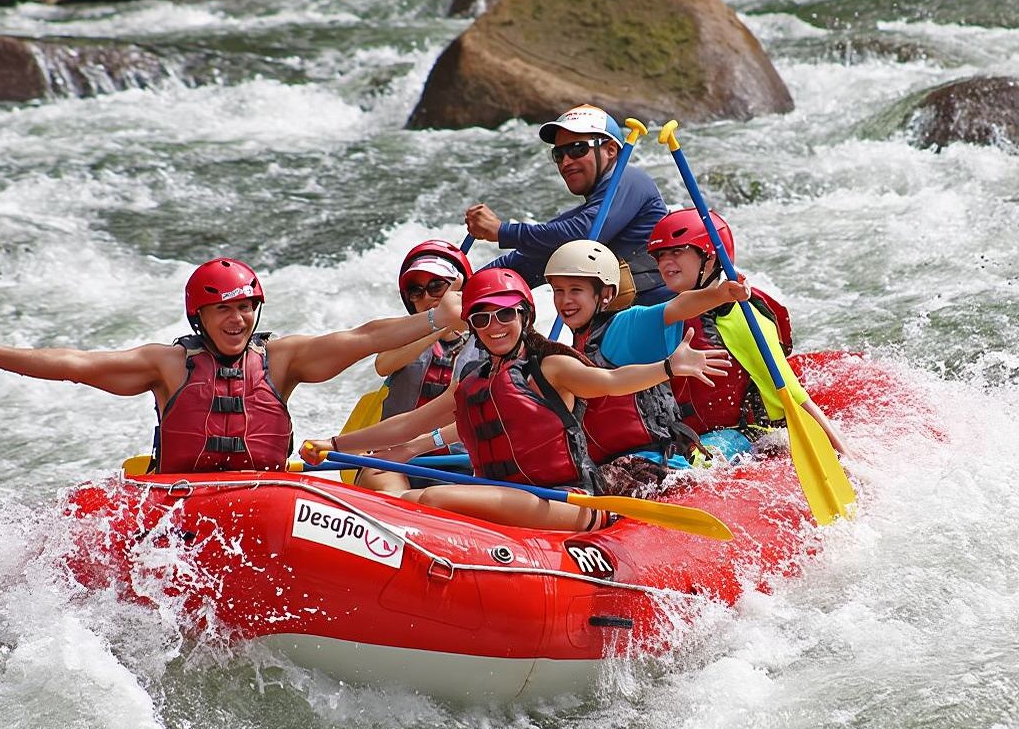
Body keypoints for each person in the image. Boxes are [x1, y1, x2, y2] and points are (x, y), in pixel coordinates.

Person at [300, 268, 730, 531]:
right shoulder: (473, 379)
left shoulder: (550, 366)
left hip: (568, 500)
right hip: (506, 493)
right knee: (397, 502)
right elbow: (408, 425)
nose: (495, 326)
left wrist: (669, 368)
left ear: (524, 315)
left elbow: (610, 382)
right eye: (482, 318)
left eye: (506, 314)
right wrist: (337, 447)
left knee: (429, 500)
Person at [0, 257, 464, 474]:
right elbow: (76, 364)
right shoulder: (167, 366)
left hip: (263, 496)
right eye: (224, 309)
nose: (238, 319)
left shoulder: (282, 360)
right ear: (201, 316)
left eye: (245, 307)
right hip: (182, 498)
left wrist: (433, 320)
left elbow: (362, 338)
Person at [543, 239, 750, 492]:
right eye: (558, 291)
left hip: (654, 464)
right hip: (614, 466)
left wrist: (720, 294)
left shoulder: (623, 327)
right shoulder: (574, 349)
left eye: (576, 290)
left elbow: (675, 308)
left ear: (606, 294)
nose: (565, 300)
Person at [647, 209, 849, 456]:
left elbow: (795, 396)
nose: (665, 262)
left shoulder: (739, 315)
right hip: (692, 434)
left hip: (749, 433)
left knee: (699, 461)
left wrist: (847, 460)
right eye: (659, 255)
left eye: (677, 251)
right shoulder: (670, 313)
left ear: (709, 256)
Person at [464, 104, 669, 306]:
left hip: (666, 318)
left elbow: (583, 234)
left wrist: (503, 232)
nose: (566, 162)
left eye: (578, 149)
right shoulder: (585, 216)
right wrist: (466, 289)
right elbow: (524, 261)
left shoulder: (629, 178)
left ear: (611, 150)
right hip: (618, 323)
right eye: (559, 155)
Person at [356, 240, 476, 492]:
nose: (426, 297)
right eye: (416, 291)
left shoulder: (490, 335)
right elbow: (384, 364)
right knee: (390, 490)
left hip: (463, 464)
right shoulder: (402, 334)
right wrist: (440, 324)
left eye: (436, 286)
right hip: (393, 459)